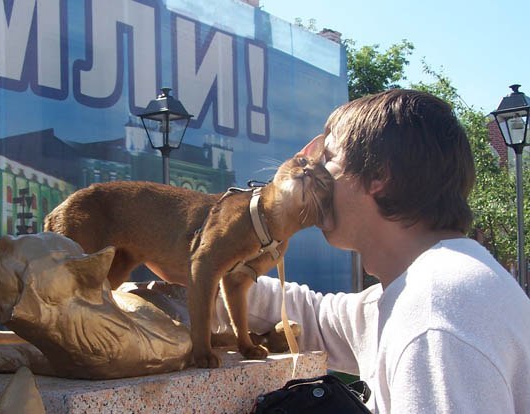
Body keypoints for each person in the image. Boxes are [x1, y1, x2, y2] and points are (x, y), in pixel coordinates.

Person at [227, 89, 530, 413]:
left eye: (327, 158)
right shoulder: (438, 286)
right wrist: (202, 272)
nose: (311, 171)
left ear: (378, 175)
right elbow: (312, 316)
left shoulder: (434, 311)